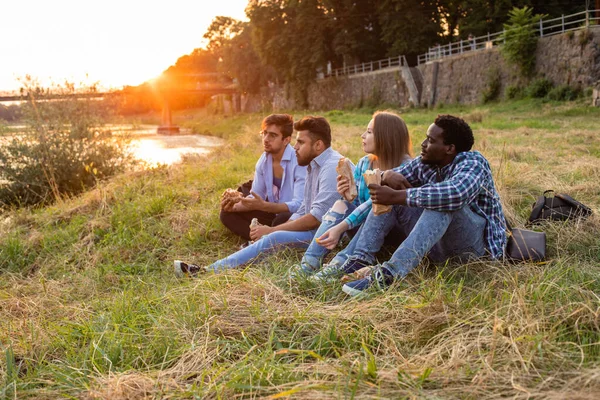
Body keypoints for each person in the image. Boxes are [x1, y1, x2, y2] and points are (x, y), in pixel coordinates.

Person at [337, 114, 507, 296]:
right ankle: (360, 259)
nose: (423, 144)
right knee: (395, 198)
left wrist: (398, 195)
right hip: (436, 247)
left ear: (449, 148)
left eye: (431, 140)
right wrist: (386, 176)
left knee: (442, 202)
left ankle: (390, 275)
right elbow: (389, 180)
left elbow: (455, 193)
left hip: (473, 252)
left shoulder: (473, 163)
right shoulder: (426, 163)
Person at [175, 116, 346, 276]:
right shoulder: (313, 164)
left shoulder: (331, 167)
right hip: (311, 227)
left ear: (318, 145)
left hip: (330, 236)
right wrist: (239, 205)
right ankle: (241, 254)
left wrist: (272, 230)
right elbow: (303, 209)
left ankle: (207, 272)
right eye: (264, 133)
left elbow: (315, 218)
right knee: (267, 232)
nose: (295, 147)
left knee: (274, 236)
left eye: (301, 142)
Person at [292, 111, 413, 277]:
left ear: (386, 136)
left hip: (392, 233)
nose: (363, 135)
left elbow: (372, 207)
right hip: (362, 229)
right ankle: (309, 262)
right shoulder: (365, 163)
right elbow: (359, 205)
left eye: (369, 132)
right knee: (341, 204)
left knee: (376, 208)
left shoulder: (405, 167)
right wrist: (349, 197)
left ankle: (337, 265)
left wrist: (341, 226)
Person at [219, 114, 306, 243]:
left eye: (273, 135)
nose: (266, 139)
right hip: (272, 211)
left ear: (286, 140)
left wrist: (265, 206)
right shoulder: (264, 160)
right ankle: (261, 240)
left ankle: (268, 238)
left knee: (281, 219)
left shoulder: (299, 161)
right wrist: (235, 207)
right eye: (264, 133)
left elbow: (299, 205)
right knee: (226, 214)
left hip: (294, 215)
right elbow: (256, 196)